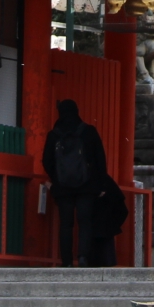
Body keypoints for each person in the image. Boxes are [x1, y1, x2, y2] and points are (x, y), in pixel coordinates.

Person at [41, 99, 106, 267]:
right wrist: (100, 184)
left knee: (66, 224)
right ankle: (83, 257)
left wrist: (56, 178)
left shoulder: (54, 135)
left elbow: (46, 161)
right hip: (87, 186)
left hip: (63, 187)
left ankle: (67, 261)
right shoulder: (88, 131)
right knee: (85, 222)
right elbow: (100, 159)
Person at [82, 170, 127, 268]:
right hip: (106, 226)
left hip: (93, 225)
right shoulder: (105, 180)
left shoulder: (84, 176)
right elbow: (122, 208)